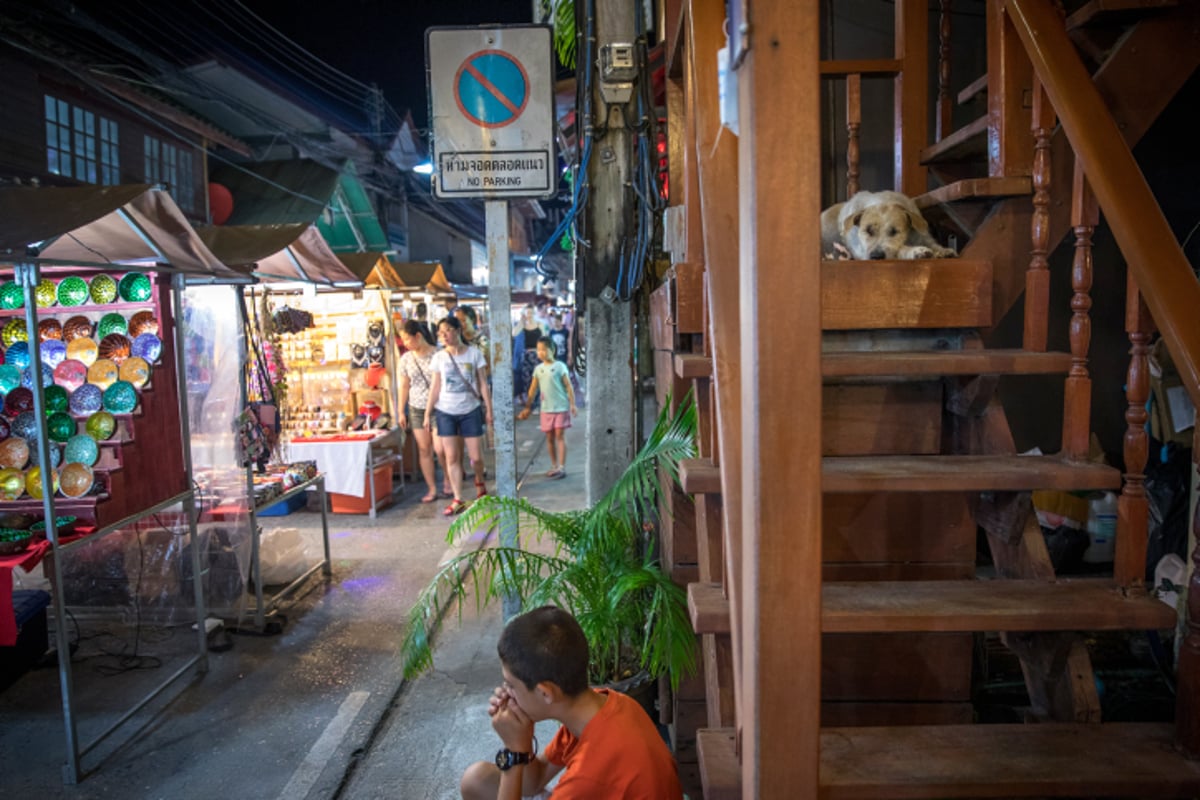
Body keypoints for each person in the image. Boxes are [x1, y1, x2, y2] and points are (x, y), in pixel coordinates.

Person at [459, 606, 683, 800]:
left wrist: (513, 751)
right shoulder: (605, 704)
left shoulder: (587, 776)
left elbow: (578, 782)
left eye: (511, 685)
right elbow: (533, 781)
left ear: (545, 693)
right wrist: (523, 740)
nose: (507, 693)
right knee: (477, 780)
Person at [425, 316, 493, 516]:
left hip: (470, 410)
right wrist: (428, 412)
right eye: (440, 332)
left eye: (447, 330)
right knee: (452, 456)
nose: (443, 335)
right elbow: (435, 386)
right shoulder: (439, 357)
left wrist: (488, 408)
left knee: (476, 457)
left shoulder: (474, 354)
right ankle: (458, 498)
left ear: (457, 330)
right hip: (445, 411)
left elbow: (482, 383)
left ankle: (479, 482)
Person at [517, 337, 576, 479]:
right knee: (549, 438)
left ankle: (561, 467)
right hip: (546, 409)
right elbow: (533, 389)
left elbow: (568, 386)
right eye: (539, 350)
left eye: (544, 349)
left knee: (559, 436)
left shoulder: (560, 366)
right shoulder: (538, 369)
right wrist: (528, 406)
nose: (541, 353)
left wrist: (572, 404)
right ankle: (554, 465)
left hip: (561, 407)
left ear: (553, 350)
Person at [396, 320, 441, 503]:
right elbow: (404, 386)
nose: (405, 344)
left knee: (441, 449)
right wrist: (400, 411)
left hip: (439, 407)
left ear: (418, 336)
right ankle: (432, 488)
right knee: (424, 449)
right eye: (403, 340)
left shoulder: (438, 355)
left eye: (407, 339)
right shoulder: (406, 359)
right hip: (416, 408)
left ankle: (448, 481)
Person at [512, 304, 546, 401]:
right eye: (527, 312)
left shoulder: (540, 324)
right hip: (526, 355)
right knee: (527, 380)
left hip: (537, 355)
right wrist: (520, 322)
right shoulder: (523, 326)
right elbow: (514, 333)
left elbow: (544, 338)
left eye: (531, 312)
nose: (529, 315)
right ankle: (531, 400)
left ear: (534, 313)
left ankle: (537, 402)